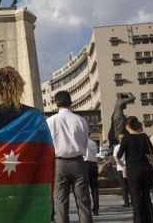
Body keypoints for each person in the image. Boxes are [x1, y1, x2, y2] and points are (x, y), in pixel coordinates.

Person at [46, 90, 93, 223]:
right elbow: (85, 142)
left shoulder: (50, 121)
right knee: (83, 202)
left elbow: (48, 145)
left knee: (60, 203)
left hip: (59, 163)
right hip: (78, 162)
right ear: (70, 102)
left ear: (56, 104)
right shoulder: (80, 120)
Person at [115, 116, 153, 223]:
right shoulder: (145, 136)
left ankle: (138, 220)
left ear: (128, 126)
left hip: (133, 170)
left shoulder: (126, 138)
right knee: (146, 196)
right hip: (146, 169)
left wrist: (123, 165)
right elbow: (152, 152)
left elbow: (119, 155)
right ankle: (150, 220)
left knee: (136, 198)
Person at [113, 134, 131, 208]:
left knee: (124, 186)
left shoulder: (117, 147)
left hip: (121, 168)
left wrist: (122, 165)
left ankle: (126, 202)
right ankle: (132, 201)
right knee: (130, 185)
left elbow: (116, 158)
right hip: (129, 167)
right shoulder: (129, 146)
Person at [85, 138, 100, 216]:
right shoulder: (94, 143)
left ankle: (86, 207)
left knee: (84, 188)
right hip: (94, 164)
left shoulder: (82, 141)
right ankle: (96, 208)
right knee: (95, 188)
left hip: (85, 164)